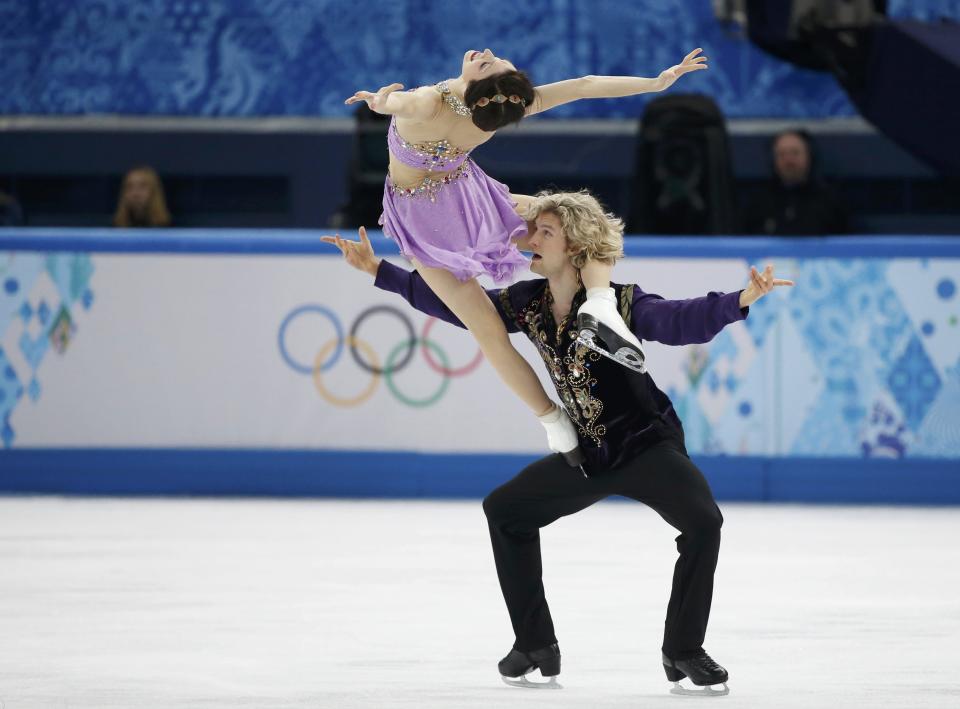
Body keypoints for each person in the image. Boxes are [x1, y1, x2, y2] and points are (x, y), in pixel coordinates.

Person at [322, 189, 793, 695]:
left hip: (645, 446)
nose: (531, 239)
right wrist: (379, 271)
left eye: (546, 232)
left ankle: (683, 649)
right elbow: (463, 308)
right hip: (584, 454)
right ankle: (535, 643)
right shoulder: (528, 303)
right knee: (506, 511)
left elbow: (679, 321)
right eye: (534, 229)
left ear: (576, 246)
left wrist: (739, 301)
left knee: (704, 524)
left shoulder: (622, 303)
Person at [344, 48, 708, 464]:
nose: (485, 54)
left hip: (426, 219)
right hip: (466, 203)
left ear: (484, 94)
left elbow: (401, 103)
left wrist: (382, 102)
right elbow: (583, 87)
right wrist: (655, 83)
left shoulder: (435, 101)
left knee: (494, 325)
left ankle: (556, 417)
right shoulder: (502, 102)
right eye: (490, 59)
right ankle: (600, 306)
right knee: (583, 227)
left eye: (488, 62)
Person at [742, 129, 849, 236]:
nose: (788, 160)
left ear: (809, 156)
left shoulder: (830, 199)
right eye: (782, 154)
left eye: (795, 153)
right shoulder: (759, 201)